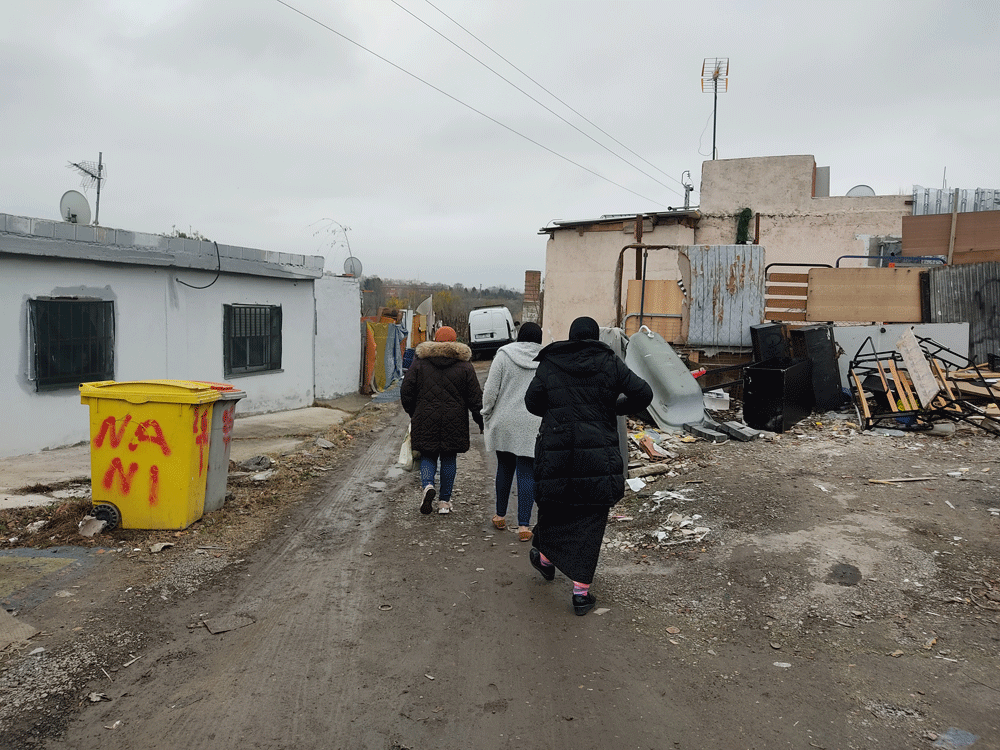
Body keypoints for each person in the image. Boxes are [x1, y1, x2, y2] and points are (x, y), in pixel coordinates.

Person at [524, 316, 653, 616]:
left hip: (557, 452)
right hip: (598, 454)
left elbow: (532, 403)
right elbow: (643, 394)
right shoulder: (608, 361)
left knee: (555, 507)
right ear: (595, 337)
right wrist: (613, 408)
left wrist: (558, 411)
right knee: (591, 518)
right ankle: (580, 594)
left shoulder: (552, 362)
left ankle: (545, 560)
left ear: (571, 336)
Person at [400, 325, 484, 515]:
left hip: (425, 417)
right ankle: (444, 502)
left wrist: (413, 411)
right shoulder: (465, 367)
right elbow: (475, 398)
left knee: (428, 455)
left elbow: (406, 389)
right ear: (455, 342)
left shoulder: (420, 363)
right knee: (449, 457)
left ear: (435, 340)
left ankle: (428, 485)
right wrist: (481, 420)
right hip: (454, 420)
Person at [481, 322, 543, 541]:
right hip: (533, 421)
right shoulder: (545, 359)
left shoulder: (504, 355)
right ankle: (524, 526)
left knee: (505, 467)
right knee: (527, 472)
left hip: (505, 420)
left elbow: (490, 390)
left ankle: (499, 515)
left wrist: (486, 413)